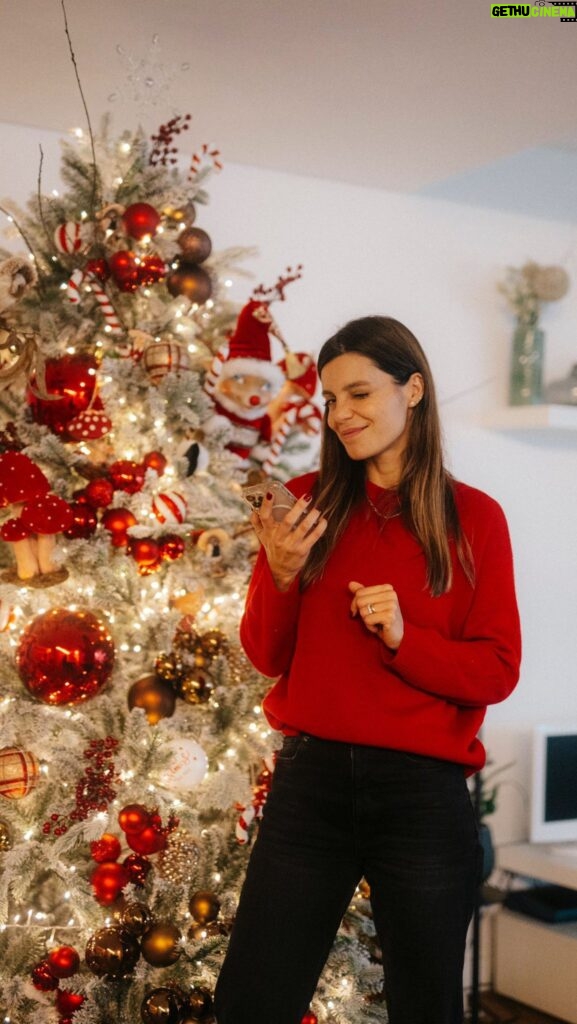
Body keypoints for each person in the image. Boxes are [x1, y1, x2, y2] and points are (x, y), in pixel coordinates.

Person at [214, 315, 521, 1024]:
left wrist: (405, 637)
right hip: (310, 787)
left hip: (420, 796)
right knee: (252, 1001)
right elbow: (264, 655)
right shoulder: (305, 503)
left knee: (425, 1006)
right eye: (328, 399)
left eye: (357, 393)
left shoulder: (474, 518)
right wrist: (281, 575)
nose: (339, 414)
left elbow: (496, 670)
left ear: (412, 389)